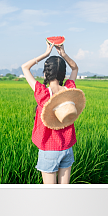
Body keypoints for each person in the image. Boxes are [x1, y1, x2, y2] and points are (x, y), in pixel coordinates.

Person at [21, 43, 84, 185]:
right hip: (67, 148)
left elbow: (25, 67)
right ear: (63, 74)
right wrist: (63, 53)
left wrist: (45, 54)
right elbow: (75, 67)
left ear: (45, 73)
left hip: (49, 149)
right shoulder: (69, 90)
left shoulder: (42, 94)